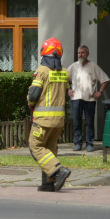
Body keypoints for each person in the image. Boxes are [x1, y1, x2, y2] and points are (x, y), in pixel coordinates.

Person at [28, 37, 71, 192]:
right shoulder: (65, 72)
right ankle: (48, 183)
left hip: (43, 119)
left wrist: (29, 102)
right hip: (58, 120)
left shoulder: (42, 71)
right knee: (50, 149)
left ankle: (58, 171)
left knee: (35, 146)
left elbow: (33, 95)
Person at [66, 45, 110, 152]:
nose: (80, 55)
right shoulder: (74, 66)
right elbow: (64, 78)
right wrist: (68, 89)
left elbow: (105, 79)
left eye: (82, 53)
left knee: (90, 122)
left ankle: (90, 143)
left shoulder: (93, 66)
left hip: (90, 99)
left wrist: (100, 92)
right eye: (79, 53)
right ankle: (77, 143)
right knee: (77, 122)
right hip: (76, 98)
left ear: (87, 54)